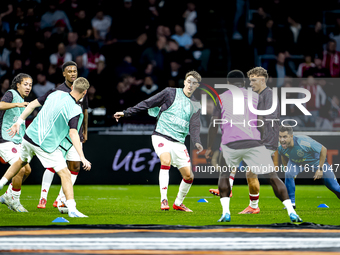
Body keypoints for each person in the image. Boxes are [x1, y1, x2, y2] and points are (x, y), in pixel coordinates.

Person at [205, 70, 301, 223]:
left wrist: (209, 147)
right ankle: (291, 211)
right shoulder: (256, 97)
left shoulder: (221, 98)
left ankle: (226, 213)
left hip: (230, 143)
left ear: (228, 84)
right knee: (273, 177)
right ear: (244, 83)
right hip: (254, 142)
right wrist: (262, 141)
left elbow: (213, 124)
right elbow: (261, 121)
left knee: (224, 175)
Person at [0, 77, 91, 218]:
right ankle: (72, 210)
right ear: (84, 93)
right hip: (44, 145)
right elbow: (73, 133)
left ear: (72, 87)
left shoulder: (54, 93)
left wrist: (19, 121)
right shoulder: (75, 109)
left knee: (21, 162)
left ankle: (1, 183)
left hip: (28, 137)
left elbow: (31, 105)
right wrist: (82, 157)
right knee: (66, 175)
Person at [114, 70, 203, 212]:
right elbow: (148, 103)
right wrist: (126, 112)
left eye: (194, 83)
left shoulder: (196, 105)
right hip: (161, 135)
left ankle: (178, 203)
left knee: (189, 176)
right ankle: (164, 199)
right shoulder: (170, 92)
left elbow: (195, 126)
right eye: (189, 81)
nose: (190, 85)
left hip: (178, 142)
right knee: (165, 161)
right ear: (185, 81)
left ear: (197, 86)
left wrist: (197, 141)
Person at [37, 61, 89, 209]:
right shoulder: (57, 91)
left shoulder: (82, 89)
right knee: (53, 165)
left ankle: (60, 198)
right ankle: (43, 198)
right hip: (59, 134)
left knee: (75, 166)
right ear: (64, 74)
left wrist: (85, 131)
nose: (73, 73)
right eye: (69, 71)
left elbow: (84, 112)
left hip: (75, 134)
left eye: (75, 71)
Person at [279, 125, 340, 208]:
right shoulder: (280, 146)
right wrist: (286, 168)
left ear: (291, 136)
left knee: (334, 186)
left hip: (315, 161)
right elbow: (283, 155)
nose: (282, 139)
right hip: (297, 162)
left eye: (285, 137)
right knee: (289, 173)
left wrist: (320, 169)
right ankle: (291, 203)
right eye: (280, 137)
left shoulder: (303, 142)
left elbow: (323, 149)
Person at [0, 73, 32, 212]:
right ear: (17, 84)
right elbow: (0, 105)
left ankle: (8, 195)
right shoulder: (11, 93)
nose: (28, 87)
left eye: (30, 85)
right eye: (25, 84)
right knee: (21, 168)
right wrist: (18, 104)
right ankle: (15, 201)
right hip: (6, 139)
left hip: (17, 141)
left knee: (27, 171)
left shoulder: (25, 101)